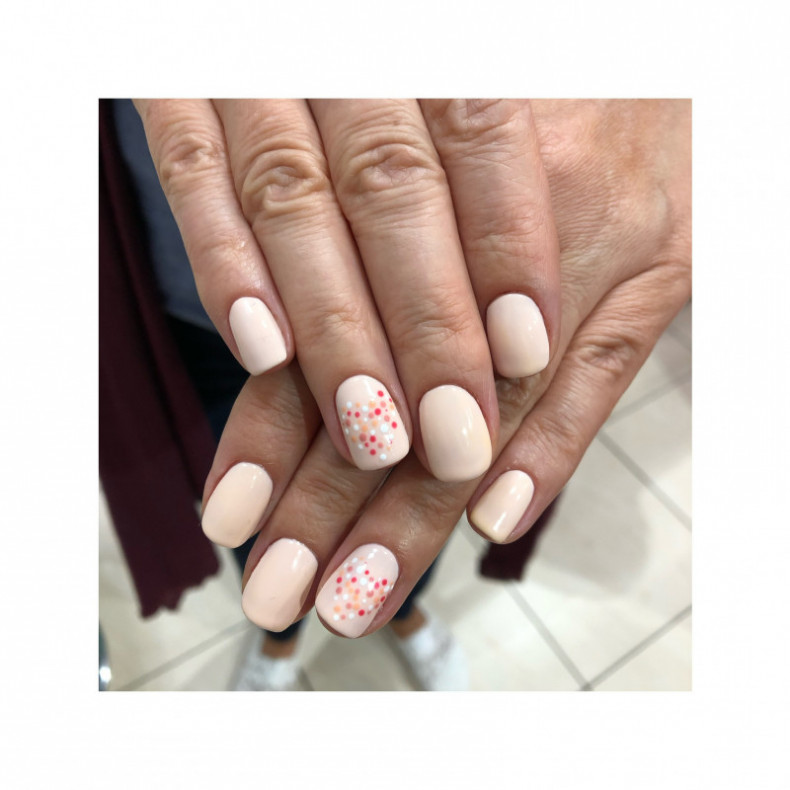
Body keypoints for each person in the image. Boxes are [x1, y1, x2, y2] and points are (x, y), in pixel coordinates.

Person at [103, 98, 691, 690]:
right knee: (250, 493)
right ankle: (279, 634)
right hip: (202, 278)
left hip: (457, 240)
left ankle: (403, 608)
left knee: (428, 479)